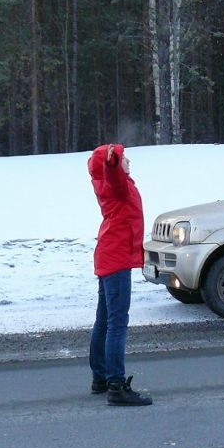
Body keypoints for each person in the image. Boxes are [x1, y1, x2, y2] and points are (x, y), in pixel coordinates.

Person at [87, 143, 153, 406]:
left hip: (109, 254)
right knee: (116, 323)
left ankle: (100, 378)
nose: (128, 162)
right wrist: (113, 160)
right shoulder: (116, 182)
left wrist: (112, 162)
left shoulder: (108, 183)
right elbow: (112, 171)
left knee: (104, 320)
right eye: (125, 158)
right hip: (116, 259)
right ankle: (116, 385)